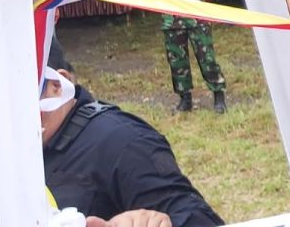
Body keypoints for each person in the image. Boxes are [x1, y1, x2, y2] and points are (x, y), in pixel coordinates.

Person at [40, 65, 224, 226]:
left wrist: (151, 222)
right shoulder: (18, 157)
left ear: (57, 85)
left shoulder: (120, 141)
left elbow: (198, 218)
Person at [160, 0, 228, 114]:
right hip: (171, 16)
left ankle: (218, 95)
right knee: (177, 61)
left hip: (197, 14)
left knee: (207, 58)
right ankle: (185, 99)